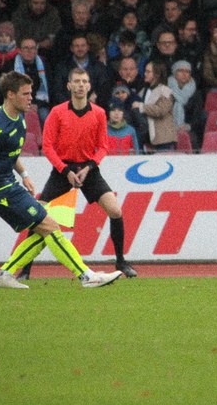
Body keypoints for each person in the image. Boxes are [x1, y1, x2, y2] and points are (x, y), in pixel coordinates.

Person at [0, 71, 123, 289]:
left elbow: (10, 153)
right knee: (49, 225)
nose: (31, 98)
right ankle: (86, 276)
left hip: (10, 185)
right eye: (25, 94)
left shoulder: (18, 117)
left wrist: (24, 175)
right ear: (11, 94)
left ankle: (5, 274)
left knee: (44, 228)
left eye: (31, 93)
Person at [15, 67, 137, 281]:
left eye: (84, 81)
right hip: (63, 170)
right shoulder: (57, 112)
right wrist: (65, 170)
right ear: (69, 85)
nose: (81, 85)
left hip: (88, 170)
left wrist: (89, 167)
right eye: (77, 81)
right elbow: (48, 147)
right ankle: (25, 270)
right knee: (39, 216)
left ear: (89, 86)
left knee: (115, 210)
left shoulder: (99, 113)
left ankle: (121, 261)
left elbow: (103, 147)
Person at [131, 61, 176, 151]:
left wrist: (141, 106)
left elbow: (161, 110)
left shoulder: (165, 91)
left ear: (157, 74)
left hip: (163, 139)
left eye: (148, 72)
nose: (145, 74)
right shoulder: (144, 90)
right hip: (148, 137)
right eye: (145, 71)